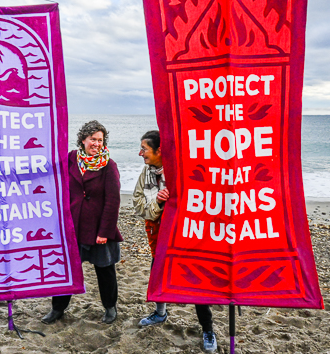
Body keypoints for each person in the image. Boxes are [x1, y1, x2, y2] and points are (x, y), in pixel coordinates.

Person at [133, 130, 218, 352]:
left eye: (145, 149)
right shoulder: (147, 173)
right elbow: (138, 205)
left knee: (196, 284)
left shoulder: (184, 171)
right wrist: (159, 204)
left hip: (187, 238)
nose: (140, 153)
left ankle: (208, 329)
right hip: (159, 238)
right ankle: (160, 314)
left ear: (160, 150)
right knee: (158, 276)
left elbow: (203, 201)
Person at [41, 120, 122, 325]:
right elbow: (49, 171)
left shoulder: (109, 165)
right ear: (83, 139)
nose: (96, 143)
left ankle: (110, 307)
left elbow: (113, 201)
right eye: (92, 139)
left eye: (100, 140)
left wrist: (104, 231)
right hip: (72, 226)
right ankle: (57, 308)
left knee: (105, 269)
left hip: (98, 229)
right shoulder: (71, 159)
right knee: (66, 269)